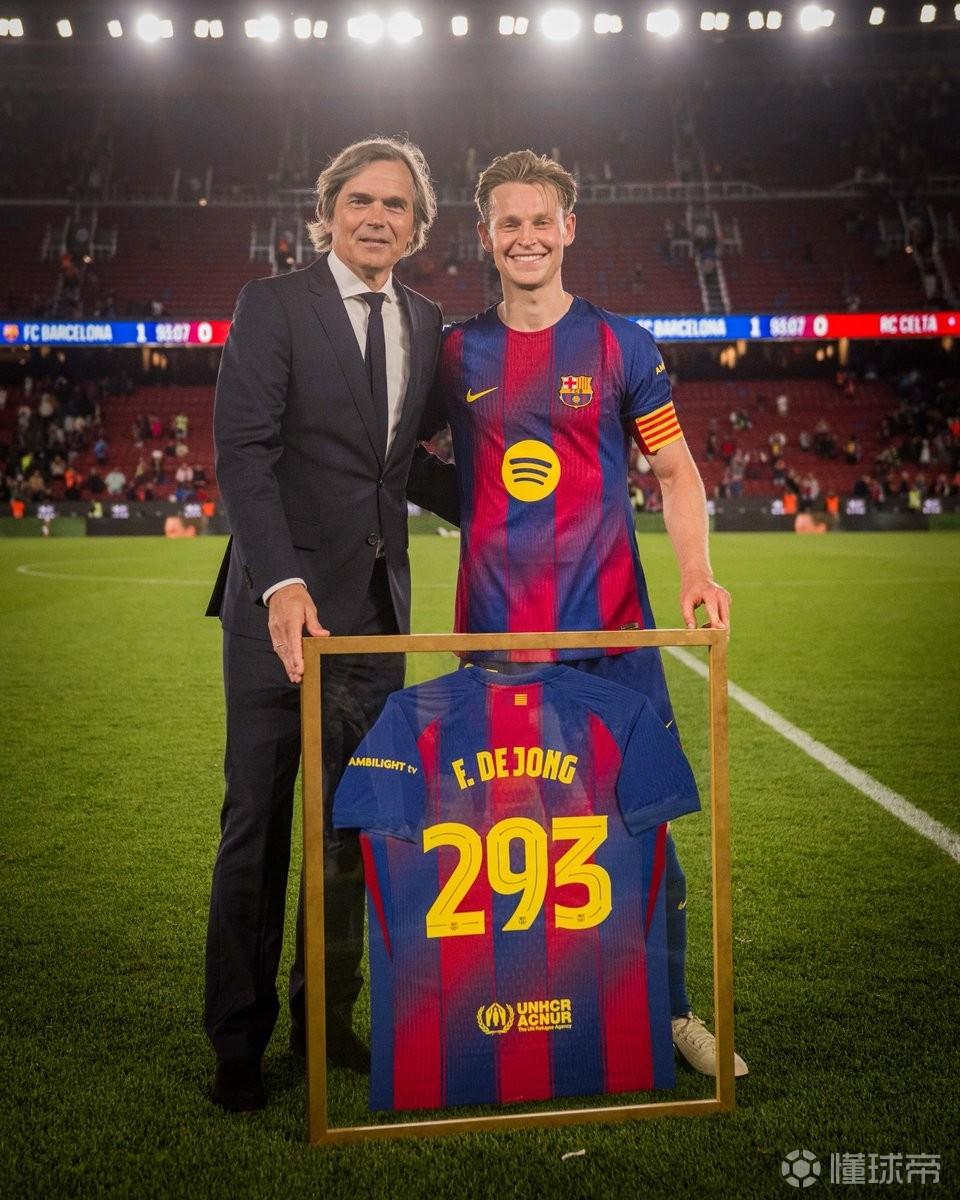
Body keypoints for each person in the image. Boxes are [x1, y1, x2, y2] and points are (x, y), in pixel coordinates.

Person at [433, 150, 746, 1079]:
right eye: (509, 223)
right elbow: (392, 457)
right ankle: (519, 1017)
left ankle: (672, 1012)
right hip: (497, 640)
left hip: (615, 637)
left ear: (569, 229)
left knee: (641, 827)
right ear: (485, 236)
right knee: (505, 839)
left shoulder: (621, 346)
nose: (526, 237)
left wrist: (698, 571)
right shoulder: (454, 353)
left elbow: (675, 472)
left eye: (542, 221)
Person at [205, 136, 458, 1113]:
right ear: (328, 212)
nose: (377, 217)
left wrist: (518, 502)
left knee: (355, 832)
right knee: (258, 827)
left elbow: (402, 465)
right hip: (280, 616)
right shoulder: (271, 305)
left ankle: (327, 1017)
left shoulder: (427, 322)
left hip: (374, 623)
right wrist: (281, 583)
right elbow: (245, 451)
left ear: (417, 226)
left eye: (397, 205)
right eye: (361, 200)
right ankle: (238, 1038)